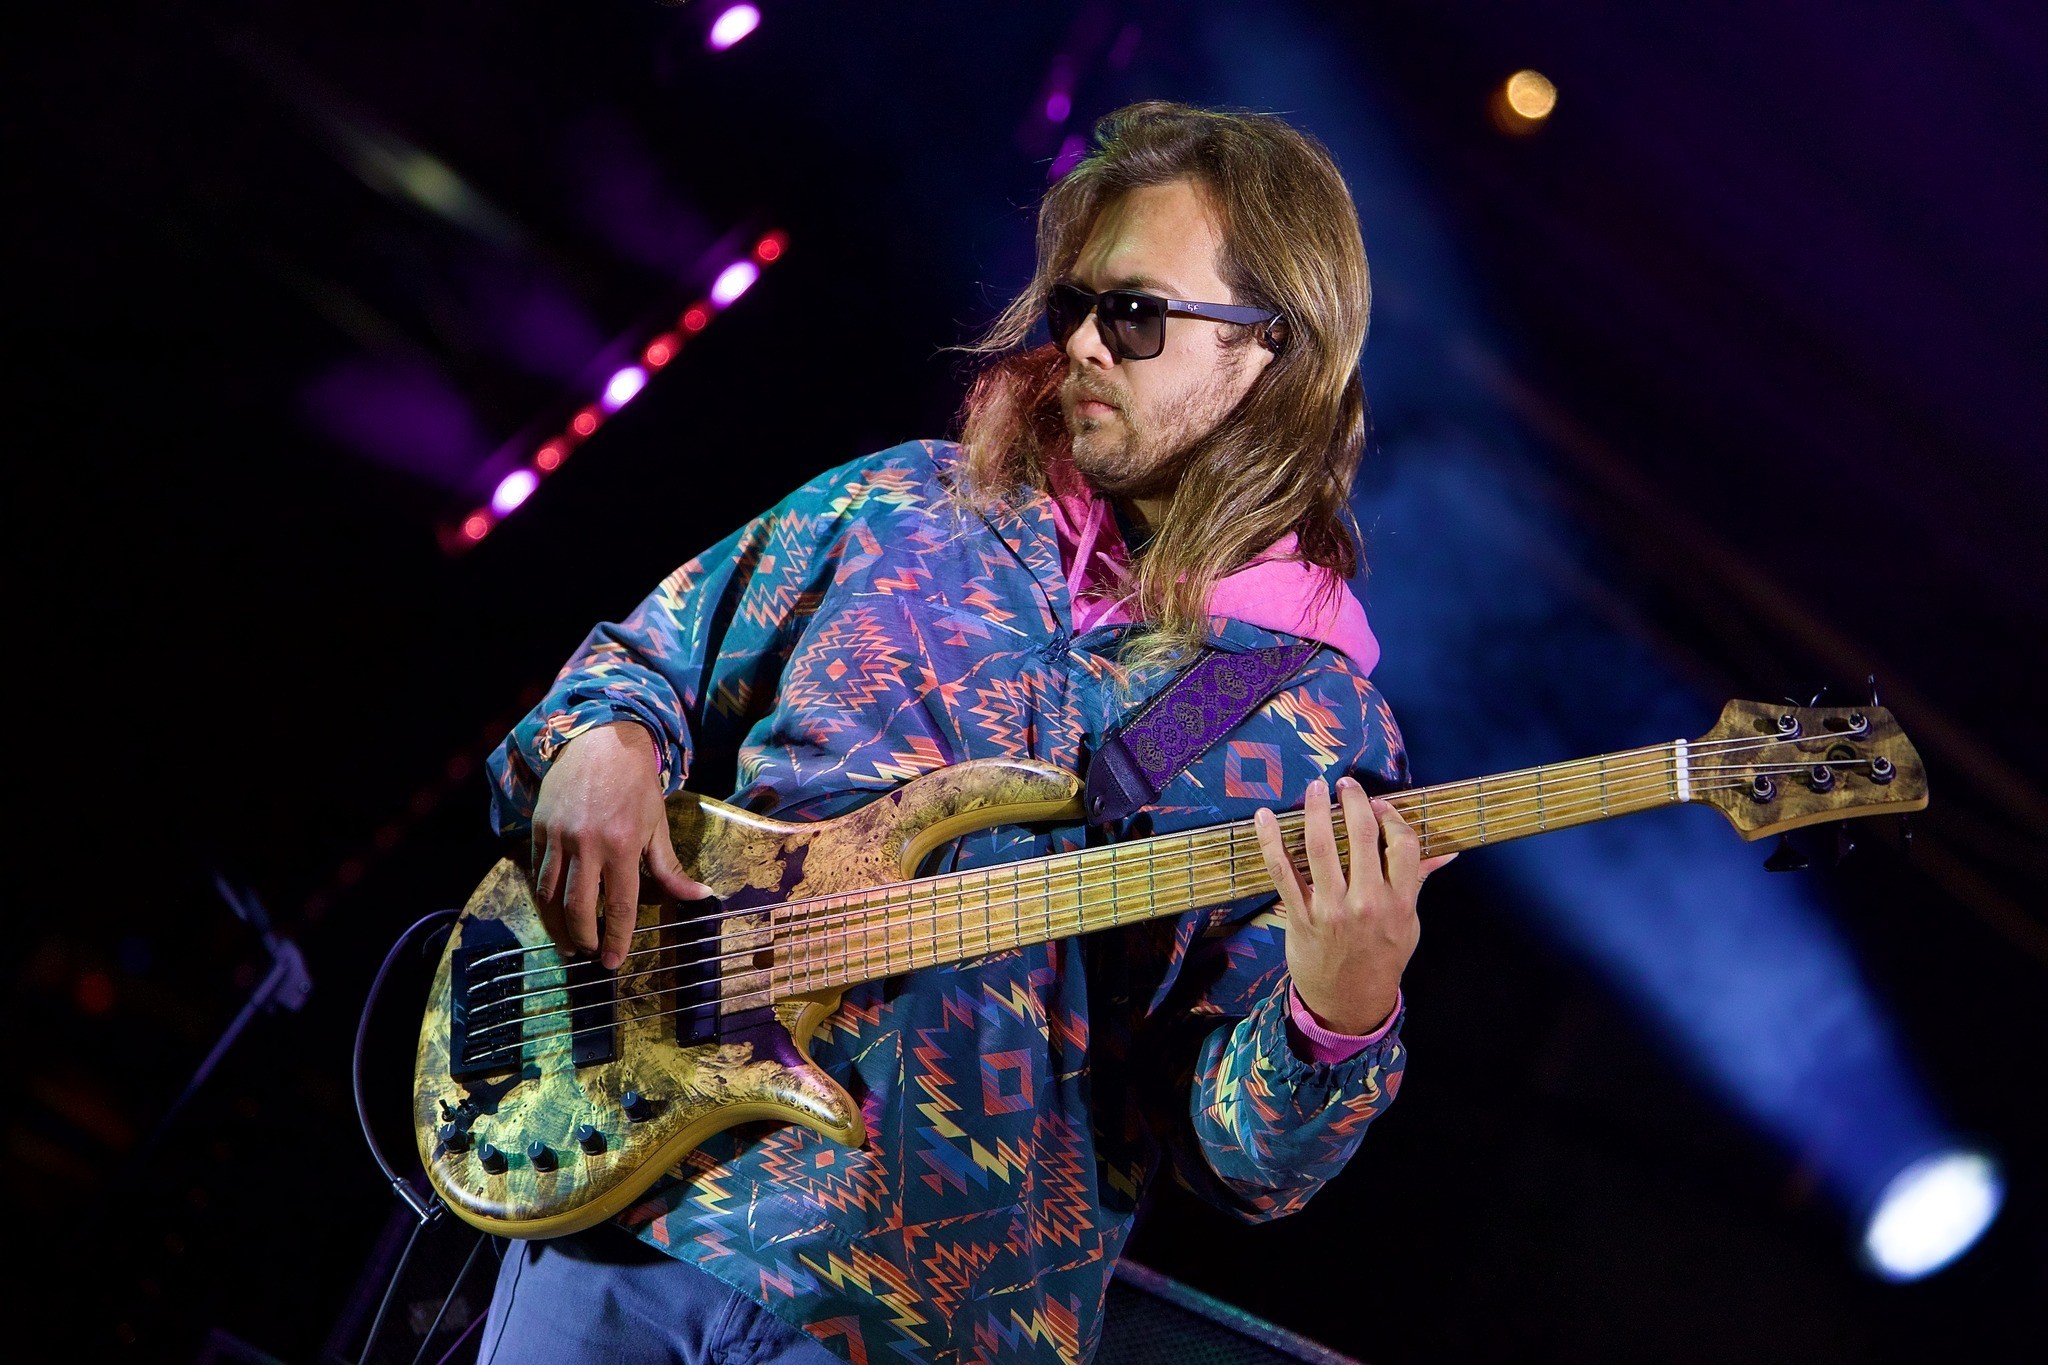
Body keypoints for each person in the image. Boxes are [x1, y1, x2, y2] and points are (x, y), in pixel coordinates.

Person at [477, 100, 1452, 1365]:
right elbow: (638, 663)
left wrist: (1339, 1011)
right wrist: (599, 744)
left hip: (928, 1324)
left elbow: (1243, 1161)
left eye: (1135, 313)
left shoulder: (1311, 719)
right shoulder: (908, 502)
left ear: (1271, 347)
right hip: (638, 1206)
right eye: (1075, 305)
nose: (1083, 342)